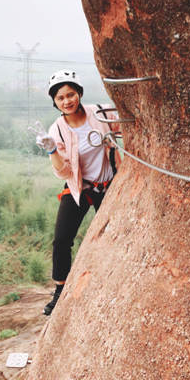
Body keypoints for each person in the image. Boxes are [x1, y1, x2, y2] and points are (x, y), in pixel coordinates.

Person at [28, 70, 119, 316]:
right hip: (78, 186)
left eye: (70, 95)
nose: (66, 101)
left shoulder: (101, 113)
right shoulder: (57, 130)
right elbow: (65, 172)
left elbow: (127, 130)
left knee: (114, 235)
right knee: (61, 239)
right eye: (60, 98)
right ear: (55, 102)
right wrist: (52, 151)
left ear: (79, 94)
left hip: (108, 185)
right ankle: (60, 290)